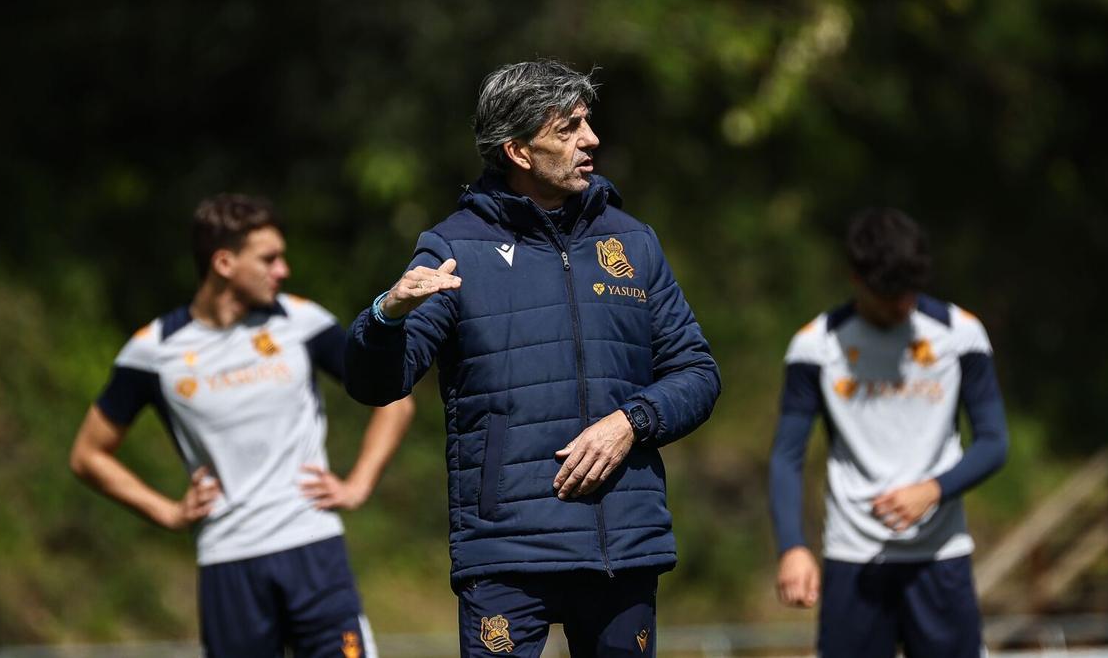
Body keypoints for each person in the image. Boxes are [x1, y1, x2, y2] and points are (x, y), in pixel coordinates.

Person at [344, 59, 721, 657]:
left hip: (621, 548)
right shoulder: (454, 247)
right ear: (519, 151)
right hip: (505, 550)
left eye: (587, 122)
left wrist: (631, 422)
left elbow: (697, 373)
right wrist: (386, 315)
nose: (590, 139)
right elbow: (377, 383)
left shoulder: (633, 242)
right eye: (567, 128)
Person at [69, 193, 415, 658]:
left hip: (313, 549)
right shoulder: (153, 351)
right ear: (225, 262)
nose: (283, 270)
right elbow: (88, 454)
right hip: (227, 562)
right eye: (269, 259)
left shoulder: (301, 321)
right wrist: (167, 512)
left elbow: (393, 400)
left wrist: (357, 484)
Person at [769, 207, 1009, 657]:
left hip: (940, 557)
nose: (903, 305)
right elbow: (787, 456)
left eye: (910, 292)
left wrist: (934, 489)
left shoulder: (961, 335)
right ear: (856, 280)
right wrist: (792, 547)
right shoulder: (815, 346)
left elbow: (994, 442)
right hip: (853, 559)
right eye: (890, 294)